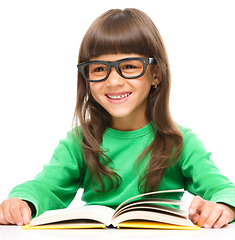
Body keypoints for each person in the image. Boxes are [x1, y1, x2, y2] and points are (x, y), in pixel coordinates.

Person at [0, 8, 235, 229]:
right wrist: (21, 201)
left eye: (130, 66)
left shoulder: (180, 142)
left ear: (156, 75)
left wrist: (222, 208)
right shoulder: (79, 142)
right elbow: (45, 187)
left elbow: (225, 190)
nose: (113, 81)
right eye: (99, 69)